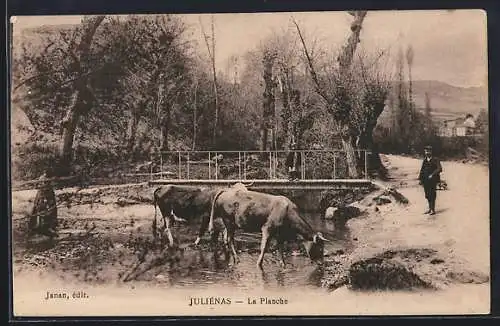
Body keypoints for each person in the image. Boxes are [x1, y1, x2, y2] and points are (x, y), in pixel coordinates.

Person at [28, 169, 58, 238]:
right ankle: (39, 226)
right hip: (43, 194)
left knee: (51, 209)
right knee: (40, 209)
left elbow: (48, 186)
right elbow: (41, 187)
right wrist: (44, 197)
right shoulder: (43, 178)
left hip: (47, 194)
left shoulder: (47, 178)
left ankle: (50, 226)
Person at [418, 145, 443, 216]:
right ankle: (429, 209)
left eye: (428, 151)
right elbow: (422, 170)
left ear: (431, 152)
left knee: (432, 194)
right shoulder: (425, 160)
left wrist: (432, 174)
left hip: (433, 180)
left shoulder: (435, 159)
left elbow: (440, 168)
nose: (427, 152)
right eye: (426, 151)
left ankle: (433, 209)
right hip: (426, 180)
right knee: (427, 194)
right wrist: (420, 179)